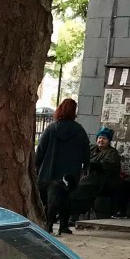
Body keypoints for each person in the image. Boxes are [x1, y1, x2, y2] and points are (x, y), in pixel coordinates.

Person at [35, 98, 90, 235]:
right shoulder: (79, 130)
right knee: (66, 198)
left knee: (50, 200)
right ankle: (63, 226)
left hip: (49, 172)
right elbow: (86, 150)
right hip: (70, 172)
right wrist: (85, 166)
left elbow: (40, 150)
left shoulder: (51, 128)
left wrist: (36, 166)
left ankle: (48, 225)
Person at [73, 127, 123, 218]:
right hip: (87, 177)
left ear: (109, 141)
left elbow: (105, 166)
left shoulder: (112, 153)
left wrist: (90, 164)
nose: (101, 140)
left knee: (82, 187)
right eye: (99, 138)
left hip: (102, 181)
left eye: (104, 138)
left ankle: (75, 215)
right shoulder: (91, 148)